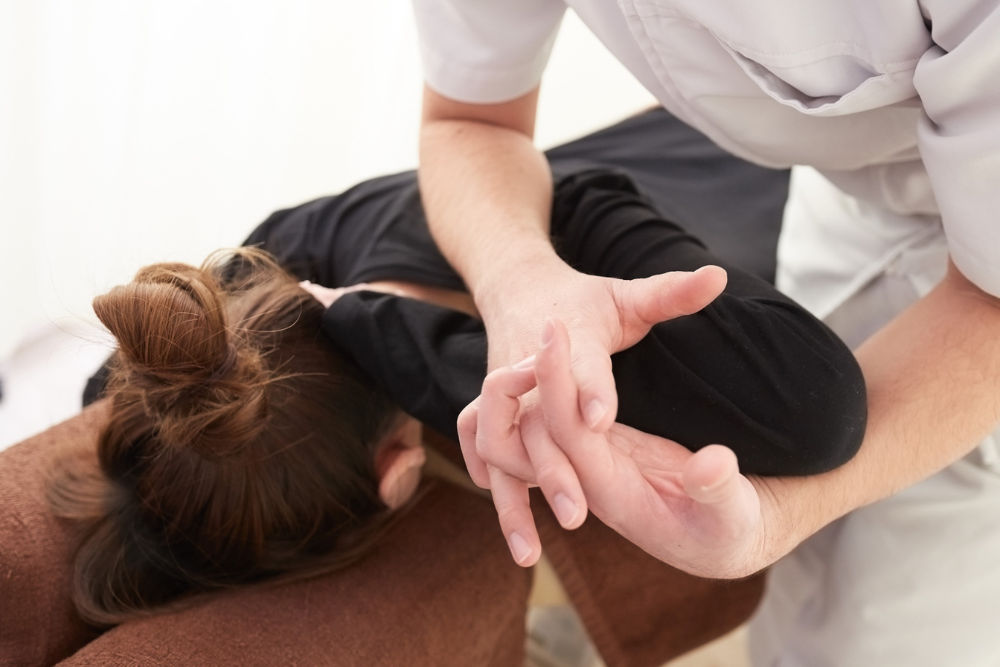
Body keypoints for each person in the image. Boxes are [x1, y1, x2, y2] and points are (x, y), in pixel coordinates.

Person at [410, 1, 1000, 664]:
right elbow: (468, 120)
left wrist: (780, 515)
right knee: (794, 575)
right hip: (847, 198)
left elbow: (991, 303)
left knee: (877, 635)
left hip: (980, 319)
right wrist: (517, 282)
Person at [62, 148, 863, 625]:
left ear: (396, 474)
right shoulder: (291, 256)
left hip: (839, 202)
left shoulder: (581, 372)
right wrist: (375, 323)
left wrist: (421, 350)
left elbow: (821, 409)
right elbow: (118, 382)